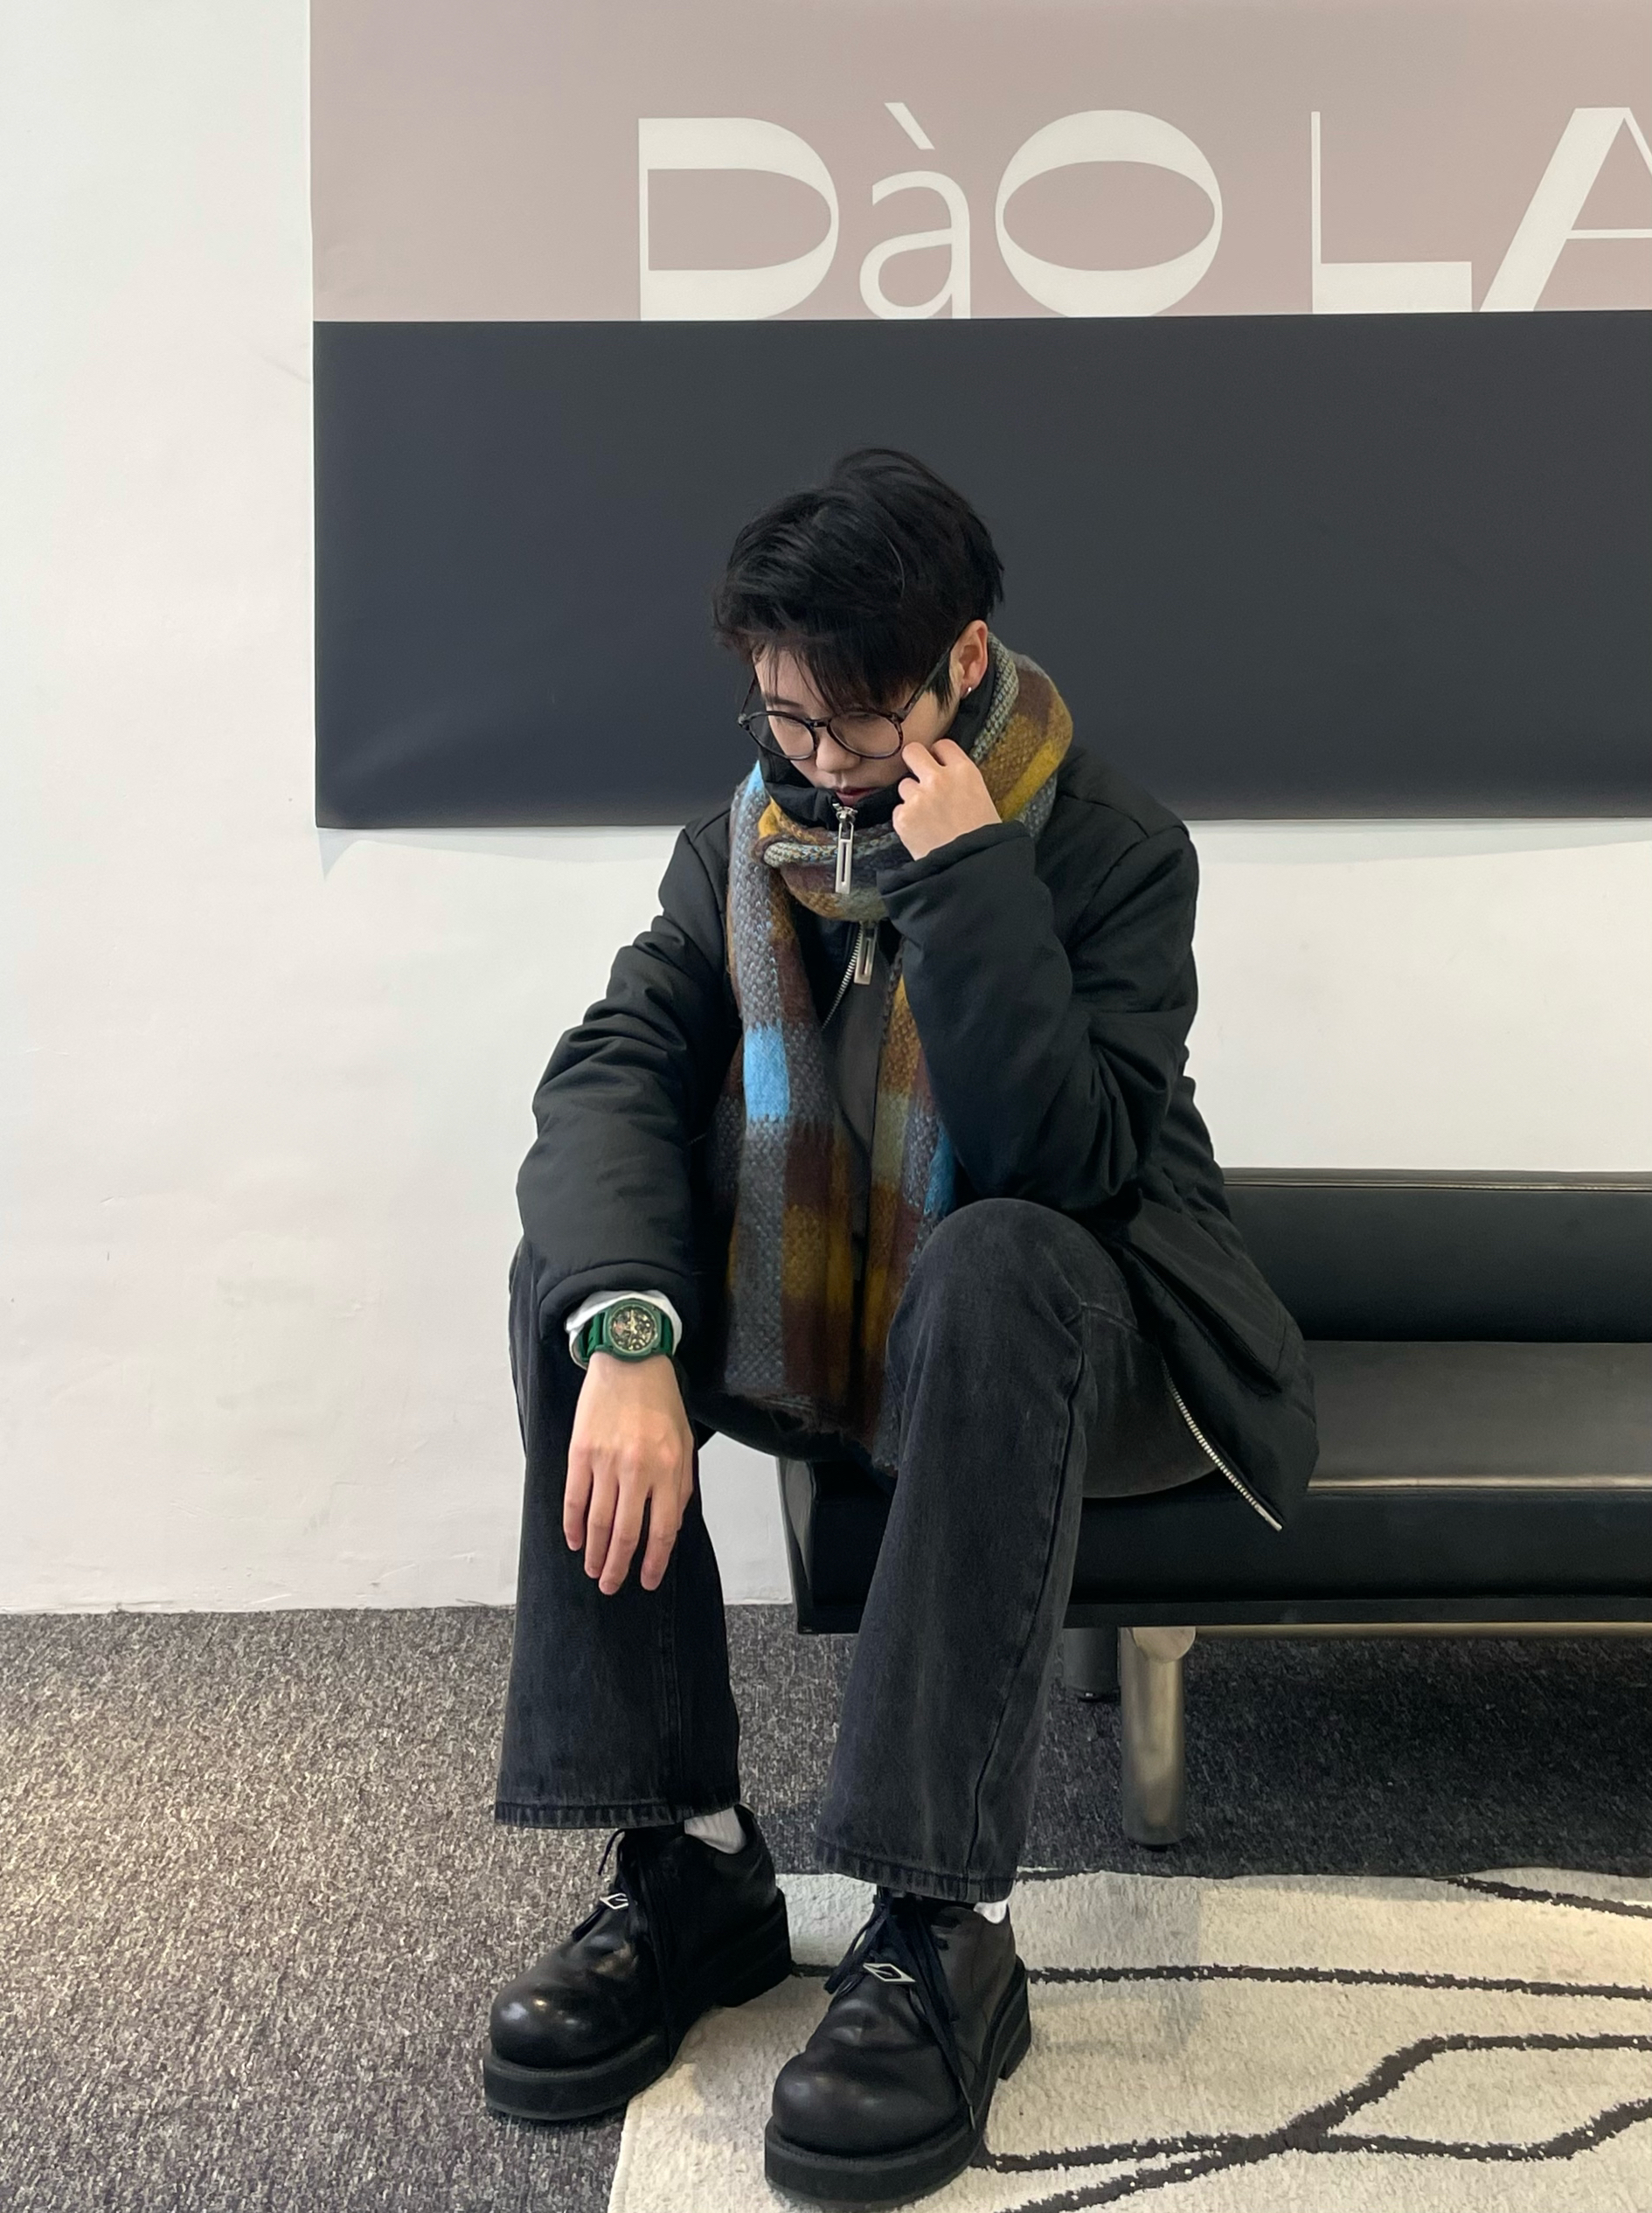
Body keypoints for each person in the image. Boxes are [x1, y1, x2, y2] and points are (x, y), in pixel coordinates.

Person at [483, 448, 1316, 2204]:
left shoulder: (1111, 848)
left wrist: (966, 882)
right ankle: (690, 1863)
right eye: (783, 716)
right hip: (828, 1321)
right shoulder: (740, 845)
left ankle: (939, 1927)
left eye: (855, 722)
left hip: (1067, 1323)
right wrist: (627, 1335)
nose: (818, 760)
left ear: (961, 662)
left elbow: (1066, 1160)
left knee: (997, 1254)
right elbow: (612, 1071)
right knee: (577, 1275)